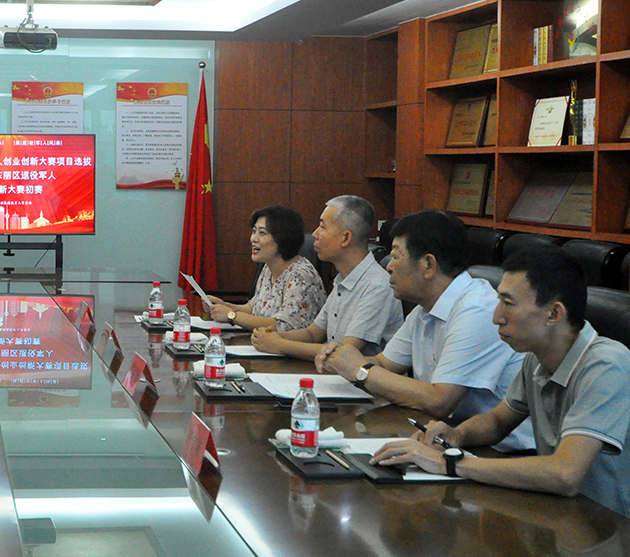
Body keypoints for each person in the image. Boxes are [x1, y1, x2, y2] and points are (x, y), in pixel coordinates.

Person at [371, 247, 630, 517]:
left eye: (508, 303)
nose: (496, 317)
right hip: (562, 510)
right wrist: (456, 435)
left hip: (610, 524)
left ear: (554, 314)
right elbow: (497, 422)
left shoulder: (606, 365)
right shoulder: (537, 358)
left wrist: (449, 462)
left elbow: (565, 474)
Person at [318, 210, 533, 451]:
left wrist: (361, 370)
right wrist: (342, 359)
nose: (388, 266)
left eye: (396, 256)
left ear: (428, 265)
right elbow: (384, 364)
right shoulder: (425, 308)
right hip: (446, 437)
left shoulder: (477, 309)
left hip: (501, 452)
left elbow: (440, 401)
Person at [251, 195, 402, 361]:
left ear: (346, 238)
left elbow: (345, 353)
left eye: (322, 227)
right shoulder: (343, 279)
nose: (315, 234)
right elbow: (312, 333)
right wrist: (274, 337)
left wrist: (280, 345)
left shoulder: (376, 286)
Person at [205, 205, 325, 332]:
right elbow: (253, 309)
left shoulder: (301, 276)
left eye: (262, 233)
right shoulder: (269, 267)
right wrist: (224, 306)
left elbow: (285, 326)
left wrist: (232, 316)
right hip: (263, 342)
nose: (253, 239)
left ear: (282, 238)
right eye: (254, 231)